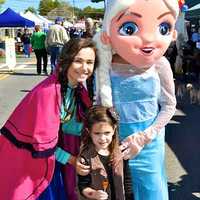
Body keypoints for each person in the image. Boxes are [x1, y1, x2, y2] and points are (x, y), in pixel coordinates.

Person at [92, 0, 180, 199]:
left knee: (152, 190)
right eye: (129, 28)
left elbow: (169, 105)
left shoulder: (160, 64)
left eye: (163, 27)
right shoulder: (104, 64)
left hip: (150, 142)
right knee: (114, 191)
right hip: (113, 141)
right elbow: (99, 106)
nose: (148, 38)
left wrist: (145, 136)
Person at [0, 38, 99, 200]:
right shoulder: (48, 92)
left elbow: (73, 129)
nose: (85, 68)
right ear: (66, 61)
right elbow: (40, 145)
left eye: (90, 62)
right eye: (78, 61)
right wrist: (72, 160)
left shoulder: (78, 89)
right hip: (36, 166)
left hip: (62, 162)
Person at [77, 106, 133, 200]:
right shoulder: (85, 158)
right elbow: (82, 186)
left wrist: (130, 197)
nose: (102, 138)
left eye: (107, 133)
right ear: (89, 131)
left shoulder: (121, 151)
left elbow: (127, 180)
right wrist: (93, 194)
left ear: (114, 129)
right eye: (97, 133)